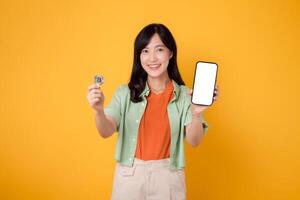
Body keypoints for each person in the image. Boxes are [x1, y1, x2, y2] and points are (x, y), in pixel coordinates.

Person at [87, 23, 219, 200]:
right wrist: (99, 111)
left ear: (170, 53)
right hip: (129, 177)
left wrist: (197, 113)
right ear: (139, 56)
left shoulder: (184, 95)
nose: (152, 58)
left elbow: (194, 141)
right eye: (145, 51)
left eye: (159, 49)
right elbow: (106, 131)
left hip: (168, 177)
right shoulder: (124, 93)